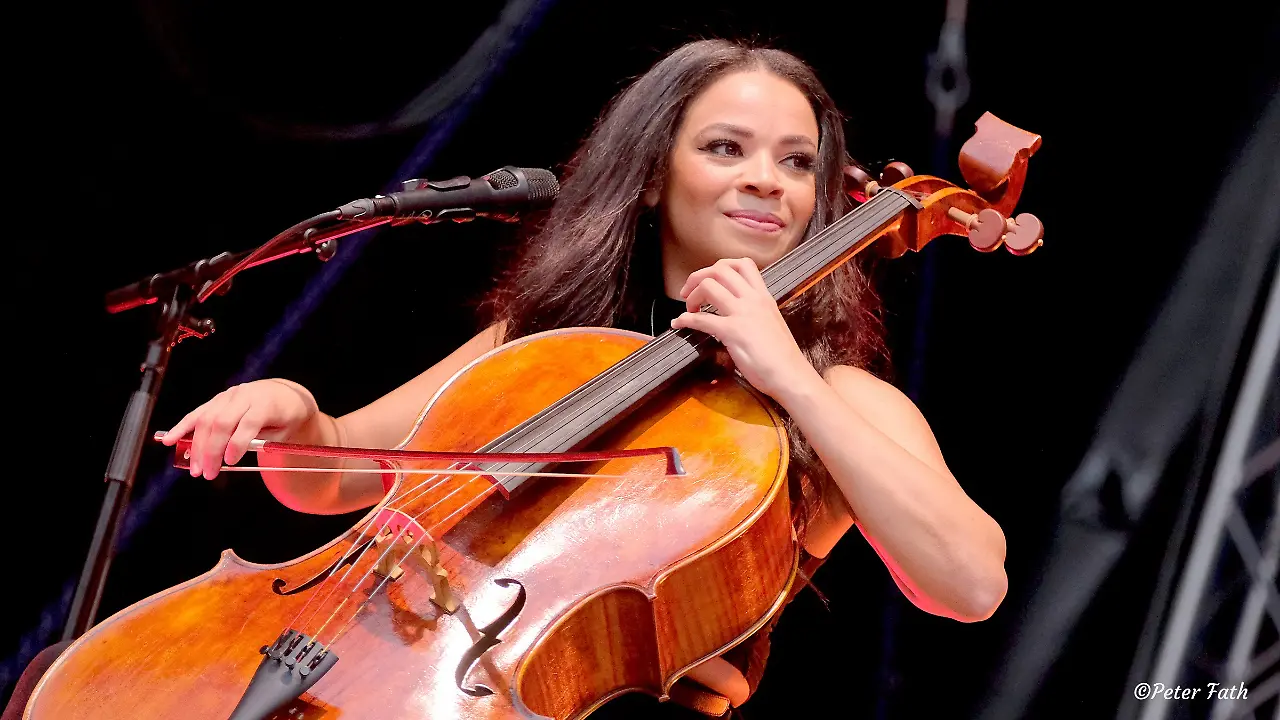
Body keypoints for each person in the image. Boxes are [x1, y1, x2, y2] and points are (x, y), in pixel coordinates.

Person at [160, 38, 1007, 718]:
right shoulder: (545, 348)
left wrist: (789, 377)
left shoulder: (842, 397)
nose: (766, 179)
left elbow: (969, 584)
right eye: (725, 148)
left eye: (796, 162)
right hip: (399, 676)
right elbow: (345, 472)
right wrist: (295, 417)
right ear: (650, 177)